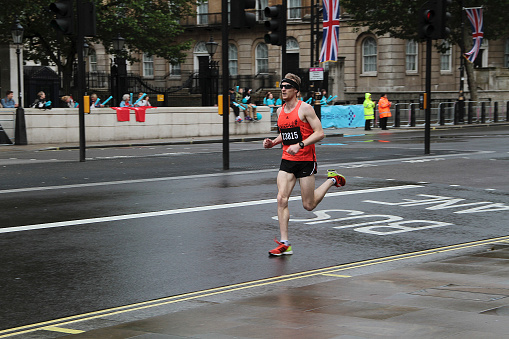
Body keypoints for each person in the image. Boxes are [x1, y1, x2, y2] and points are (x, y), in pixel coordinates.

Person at [263, 73, 346, 256]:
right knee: (281, 199)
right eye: (282, 87)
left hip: (306, 160)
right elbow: (285, 134)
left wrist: (300, 145)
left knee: (308, 205)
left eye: (287, 86)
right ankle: (285, 243)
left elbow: (320, 133)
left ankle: (332, 180)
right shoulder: (279, 111)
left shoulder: (306, 109)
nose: (283, 89)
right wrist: (273, 143)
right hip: (287, 160)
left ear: (296, 90)